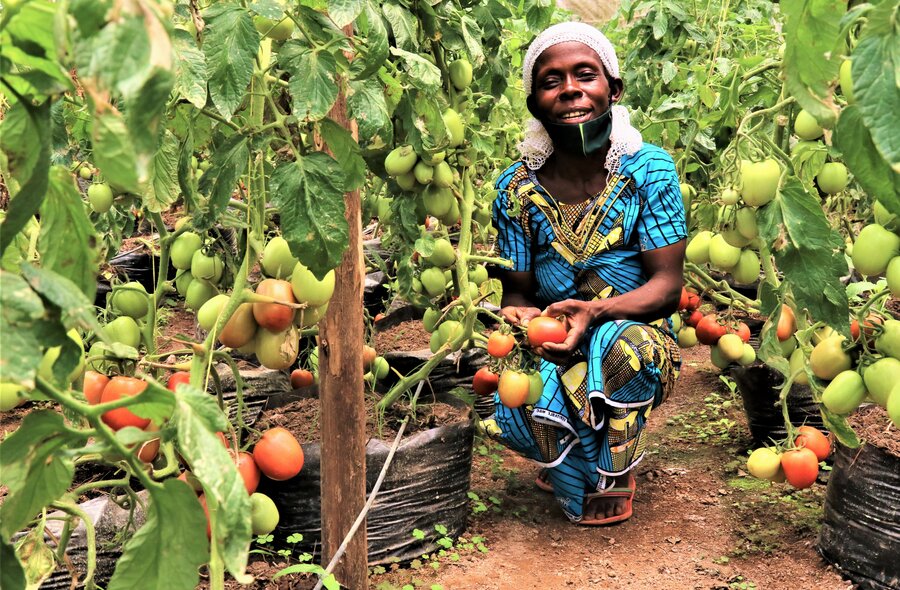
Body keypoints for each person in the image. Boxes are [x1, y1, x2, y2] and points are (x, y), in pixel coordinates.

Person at [488, 21, 686, 526]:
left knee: (621, 351)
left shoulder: (649, 171)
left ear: (612, 89)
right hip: (552, 340)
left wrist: (595, 311)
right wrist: (522, 322)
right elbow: (516, 290)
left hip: (633, 334)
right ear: (535, 103)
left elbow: (666, 288)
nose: (570, 89)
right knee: (499, 377)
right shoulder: (514, 189)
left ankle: (612, 465)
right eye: (551, 81)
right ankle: (566, 446)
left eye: (585, 75)